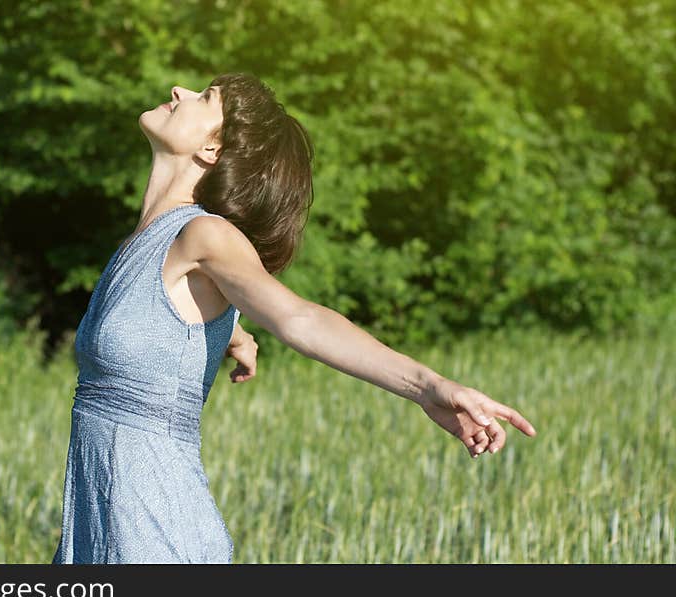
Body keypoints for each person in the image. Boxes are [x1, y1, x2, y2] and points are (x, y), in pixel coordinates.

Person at [51, 72, 537, 564]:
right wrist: (230, 330)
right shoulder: (143, 245)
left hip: (153, 526)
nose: (179, 90)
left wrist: (426, 386)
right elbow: (165, 319)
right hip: (102, 525)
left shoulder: (205, 236)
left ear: (213, 150)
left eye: (204, 97)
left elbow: (299, 319)